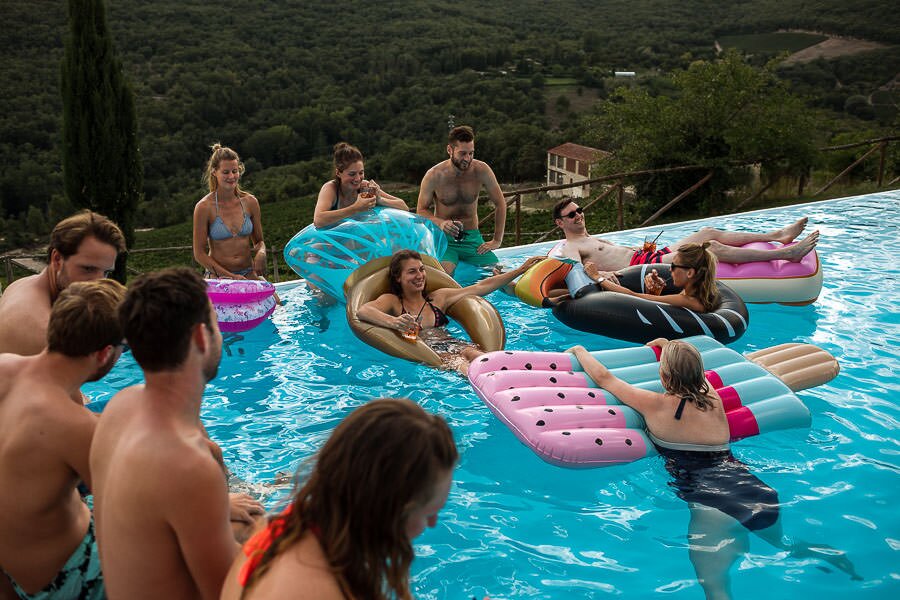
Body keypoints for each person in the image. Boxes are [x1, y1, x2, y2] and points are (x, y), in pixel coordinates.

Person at [566, 339, 861, 599]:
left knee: (716, 591)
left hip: (711, 502)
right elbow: (689, 371)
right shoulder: (713, 398)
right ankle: (827, 555)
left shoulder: (654, 404)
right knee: (782, 544)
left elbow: (604, 378)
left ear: (664, 376)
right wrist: (667, 346)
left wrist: (579, 350)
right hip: (755, 489)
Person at [90, 268, 264, 600]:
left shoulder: (119, 409)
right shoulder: (188, 466)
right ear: (201, 337)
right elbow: (228, 593)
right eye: (216, 322)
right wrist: (271, 534)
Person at [219, 398, 458, 600]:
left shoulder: (285, 529)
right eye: (429, 513)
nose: (433, 523)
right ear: (388, 509)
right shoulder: (314, 587)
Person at [0, 279, 126, 600]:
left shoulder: (4, 368)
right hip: (67, 578)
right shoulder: (77, 427)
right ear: (104, 353)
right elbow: (141, 510)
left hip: (14, 566)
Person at [356, 249, 543, 372]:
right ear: (398, 277)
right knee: (466, 368)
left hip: (454, 343)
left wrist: (521, 269)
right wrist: (395, 322)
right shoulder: (393, 302)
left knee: (483, 358)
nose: (420, 276)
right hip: (432, 354)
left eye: (421, 270)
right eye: (412, 272)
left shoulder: (438, 298)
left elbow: (480, 288)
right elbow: (363, 311)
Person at [552, 199, 819, 283]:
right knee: (709, 248)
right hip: (640, 268)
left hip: (648, 255)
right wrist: (607, 275)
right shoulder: (570, 246)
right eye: (571, 214)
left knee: (706, 231)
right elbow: (577, 272)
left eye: (580, 210)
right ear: (560, 223)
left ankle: (777, 236)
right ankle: (787, 254)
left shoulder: (589, 237)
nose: (578, 215)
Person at [0, 210, 124, 357]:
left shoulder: (20, 285)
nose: (99, 283)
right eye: (88, 269)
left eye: (106, 273)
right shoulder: (44, 333)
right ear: (57, 259)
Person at [416, 126, 507, 275]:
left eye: (471, 153)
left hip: (472, 238)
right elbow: (421, 210)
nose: (467, 158)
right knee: (445, 277)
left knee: (499, 275)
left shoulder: (481, 170)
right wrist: (441, 223)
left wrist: (497, 240)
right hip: (444, 239)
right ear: (449, 150)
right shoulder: (433, 175)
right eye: (462, 153)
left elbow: (500, 203)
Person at [192, 144, 269, 280]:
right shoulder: (204, 207)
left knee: (277, 302)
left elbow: (259, 241)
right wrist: (231, 277)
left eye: (235, 171)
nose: (231, 176)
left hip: (248, 273)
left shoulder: (250, 202)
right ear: (214, 172)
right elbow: (199, 254)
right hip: (218, 277)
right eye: (226, 172)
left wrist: (261, 253)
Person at [584, 242, 720, 313]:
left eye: (674, 266)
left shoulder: (689, 300)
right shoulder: (697, 294)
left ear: (690, 273)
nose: (670, 269)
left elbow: (633, 296)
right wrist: (655, 292)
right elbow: (657, 305)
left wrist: (597, 277)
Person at [313, 142, 409, 228]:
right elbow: (318, 220)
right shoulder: (331, 188)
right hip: (333, 241)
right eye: (352, 174)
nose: (358, 178)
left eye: (361, 173)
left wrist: (380, 200)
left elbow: (404, 207)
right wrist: (355, 208)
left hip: (359, 239)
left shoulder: (365, 186)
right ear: (338, 173)